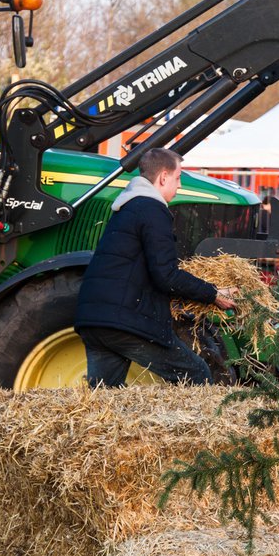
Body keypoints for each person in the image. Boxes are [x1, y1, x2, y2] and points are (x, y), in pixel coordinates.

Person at [76, 148, 237, 387]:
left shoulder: (127, 208)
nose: (179, 185)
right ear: (163, 177)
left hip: (94, 318)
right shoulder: (153, 209)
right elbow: (166, 275)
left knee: (103, 399)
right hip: (124, 320)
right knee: (196, 375)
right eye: (178, 177)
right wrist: (213, 294)